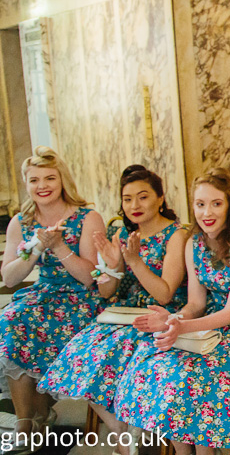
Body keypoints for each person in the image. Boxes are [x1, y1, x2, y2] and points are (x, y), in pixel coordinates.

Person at [114, 169, 230, 454]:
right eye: (200, 204)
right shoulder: (194, 243)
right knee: (158, 364)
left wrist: (182, 327)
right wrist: (172, 319)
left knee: (200, 376)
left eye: (216, 203)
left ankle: (205, 452)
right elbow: (196, 304)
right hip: (210, 318)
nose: (207, 213)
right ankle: (183, 451)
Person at [38, 165, 187, 455]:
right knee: (80, 352)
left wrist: (134, 262)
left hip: (162, 315)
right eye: (127, 199)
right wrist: (109, 266)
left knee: (117, 354)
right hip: (125, 312)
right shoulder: (122, 233)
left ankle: (135, 436)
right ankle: (122, 433)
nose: (134, 205)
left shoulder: (176, 235)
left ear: (160, 198)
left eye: (143, 197)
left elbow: (166, 294)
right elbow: (106, 292)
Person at [0, 147, 105, 447]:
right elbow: (9, 278)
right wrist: (34, 249)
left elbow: (89, 277)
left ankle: (42, 411)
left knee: (44, 324)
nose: (42, 186)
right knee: (12, 320)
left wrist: (58, 246)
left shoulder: (87, 217)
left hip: (81, 297)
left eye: (49, 178)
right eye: (34, 180)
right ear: (26, 183)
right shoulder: (20, 222)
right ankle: (25, 421)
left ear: (62, 181)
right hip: (44, 292)